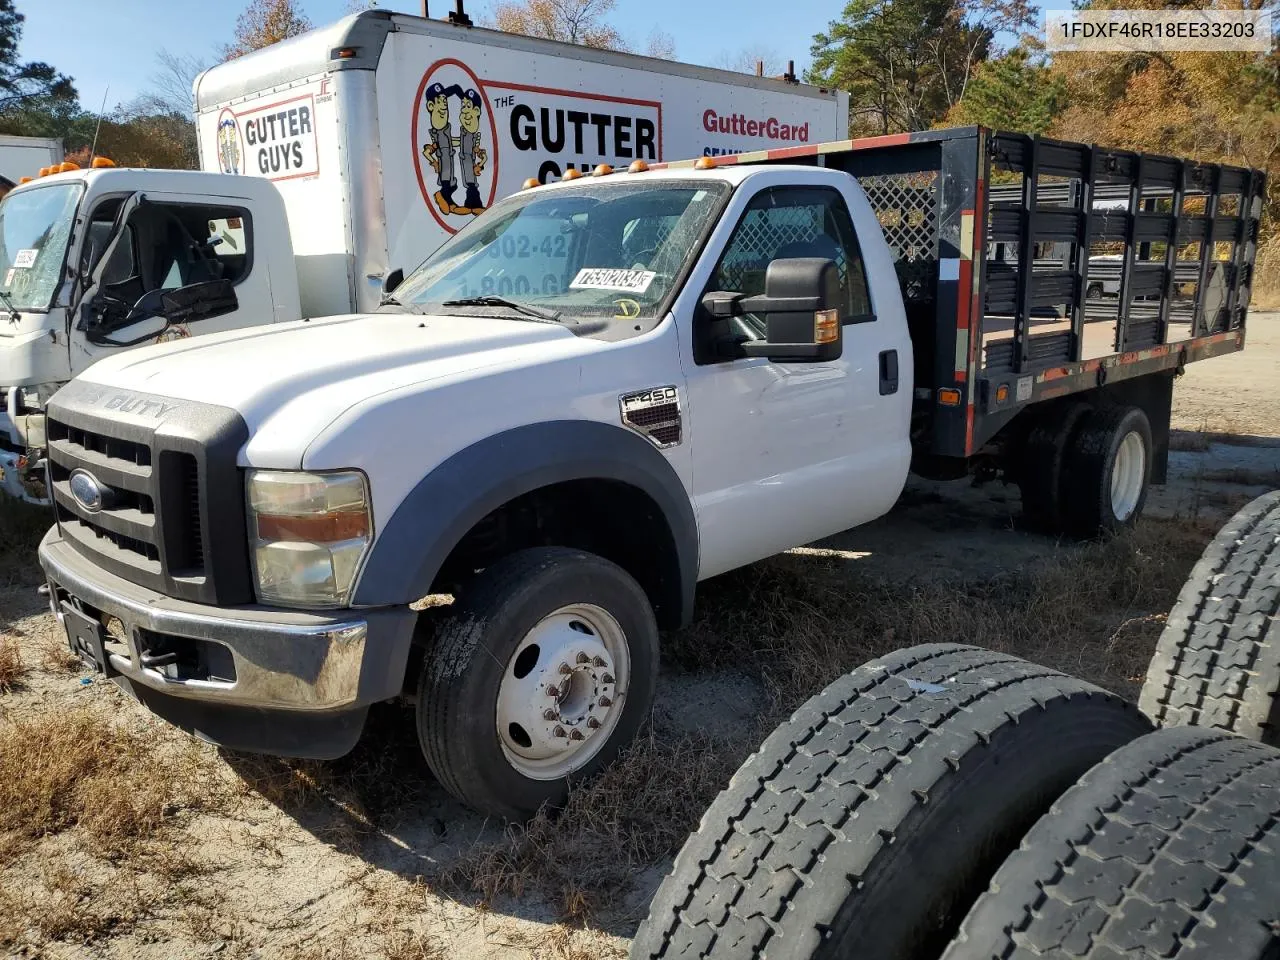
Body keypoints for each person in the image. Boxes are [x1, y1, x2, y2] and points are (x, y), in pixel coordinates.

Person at [421, 81, 461, 215]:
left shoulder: (446, 129)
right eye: (440, 100)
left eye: (445, 100)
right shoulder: (437, 134)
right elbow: (427, 151)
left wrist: (462, 141)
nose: (444, 103)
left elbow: (450, 142)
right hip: (443, 161)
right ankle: (442, 197)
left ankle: (448, 200)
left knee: (452, 183)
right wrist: (434, 162)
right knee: (446, 183)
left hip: (449, 160)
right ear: (431, 106)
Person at [452, 88, 488, 215]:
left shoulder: (474, 136)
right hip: (465, 162)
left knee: (471, 185)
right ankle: (470, 203)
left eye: (468, 106)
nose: (465, 111)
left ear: (477, 111)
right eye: (463, 107)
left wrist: (480, 165)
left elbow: (481, 154)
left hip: (470, 162)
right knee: (468, 183)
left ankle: (474, 203)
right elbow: (458, 142)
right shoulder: (464, 132)